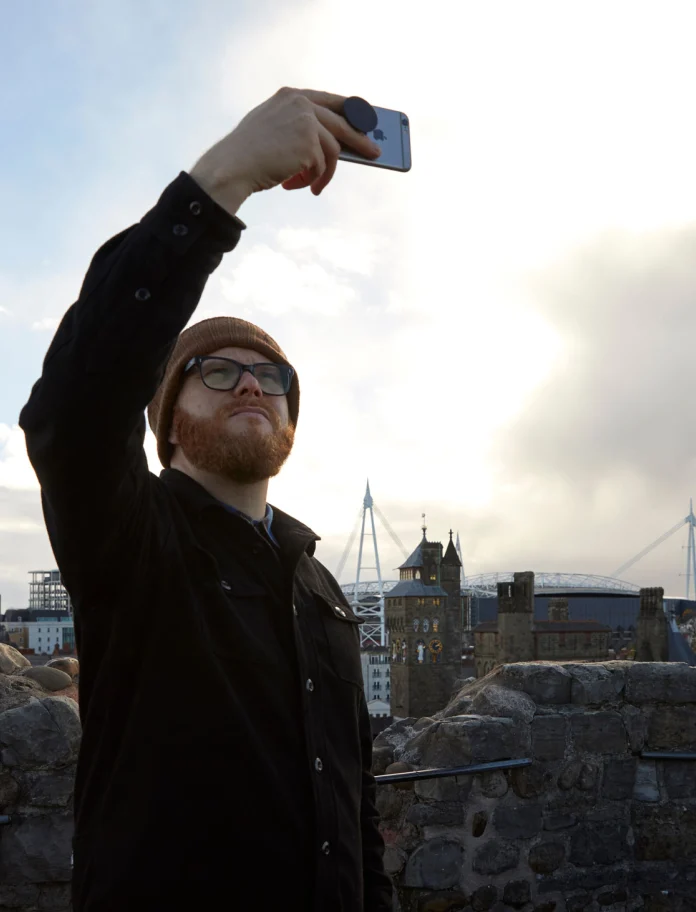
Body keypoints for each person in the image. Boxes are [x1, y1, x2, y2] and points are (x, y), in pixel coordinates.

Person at [20, 87, 392, 912]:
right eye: (217, 372)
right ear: (167, 424)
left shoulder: (322, 593)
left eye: (272, 379)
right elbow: (74, 407)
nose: (251, 385)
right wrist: (223, 179)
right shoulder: (135, 542)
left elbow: (354, 804)